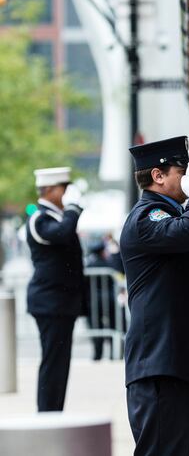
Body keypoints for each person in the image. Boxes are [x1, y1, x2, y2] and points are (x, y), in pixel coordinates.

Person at [119, 136, 189, 455]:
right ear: (158, 176)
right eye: (182, 170)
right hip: (159, 363)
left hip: (171, 361)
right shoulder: (148, 216)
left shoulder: (167, 213)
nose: (188, 178)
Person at [25, 166, 84, 412]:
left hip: (61, 302)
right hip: (49, 303)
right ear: (49, 190)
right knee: (53, 361)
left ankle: (55, 411)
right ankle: (47, 413)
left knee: (61, 362)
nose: (67, 194)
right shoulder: (40, 218)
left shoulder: (57, 217)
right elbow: (61, 234)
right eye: (63, 188)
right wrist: (72, 209)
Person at [83, 240, 117, 361]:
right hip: (110, 301)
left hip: (93, 302)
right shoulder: (109, 264)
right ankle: (114, 354)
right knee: (114, 327)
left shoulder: (89, 265)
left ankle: (98, 354)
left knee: (95, 328)